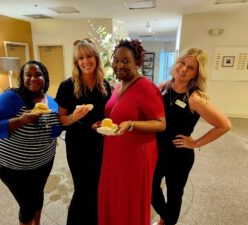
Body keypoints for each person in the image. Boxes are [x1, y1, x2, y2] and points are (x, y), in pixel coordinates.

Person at [151, 48, 232, 225]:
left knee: (174, 193)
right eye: (182, 63)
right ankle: (166, 217)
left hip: (179, 153)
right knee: (150, 187)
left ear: (196, 74)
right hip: (157, 150)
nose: (183, 69)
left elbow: (224, 125)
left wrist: (195, 143)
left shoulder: (195, 97)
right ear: (176, 62)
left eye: (191, 68)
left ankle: (167, 221)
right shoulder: (164, 86)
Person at [0, 60, 62, 225]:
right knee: (27, 205)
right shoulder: (12, 98)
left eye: (38, 74)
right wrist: (20, 121)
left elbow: (55, 131)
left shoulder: (51, 102)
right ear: (22, 78)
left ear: (45, 78)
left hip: (44, 163)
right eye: (28, 75)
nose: (33, 78)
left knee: (38, 195)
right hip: (11, 166)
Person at [98, 39, 166, 225]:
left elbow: (161, 124)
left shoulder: (147, 88)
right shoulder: (119, 85)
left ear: (137, 62)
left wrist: (132, 124)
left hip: (136, 154)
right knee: (114, 194)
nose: (120, 64)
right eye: (116, 60)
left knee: (130, 197)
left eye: (126, 61)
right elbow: (115, 114)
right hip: (114, 149)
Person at [55, 38, 111, 225]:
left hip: (101, 144)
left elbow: (107, 114)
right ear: (76, 62)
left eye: (89, 56)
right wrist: (75, 117)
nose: (85, 61)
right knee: (82, 189)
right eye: (81, 58)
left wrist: (103, 123)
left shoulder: (105, 85)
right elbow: (61, 119)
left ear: (96, 58)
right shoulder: (67, 86)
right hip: (77, 145)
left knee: (97, 187)